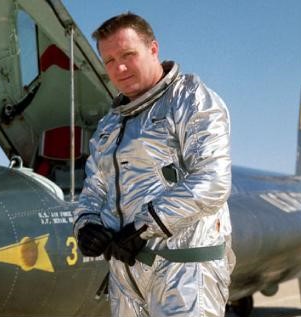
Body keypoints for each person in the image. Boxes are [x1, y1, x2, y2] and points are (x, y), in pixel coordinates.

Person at [73, 12, 235, 317]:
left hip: (185, 271)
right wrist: (86, 225)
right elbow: (93, 190)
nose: (118, 68)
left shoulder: (190, 100)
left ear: (153, 49)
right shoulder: (110, 125)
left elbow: (213, 181)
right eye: (108, 60)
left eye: (127, 54)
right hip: (126, 277)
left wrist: (143, 228)